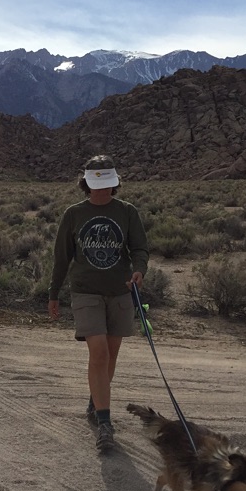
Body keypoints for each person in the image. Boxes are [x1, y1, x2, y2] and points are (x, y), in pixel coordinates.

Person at [48, 155, 149, 452]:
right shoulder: (73, 214)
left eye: (106, 185)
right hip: (85, 292)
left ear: (114, 183)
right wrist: (54, 294)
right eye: (96, 185)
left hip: (120, 292)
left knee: (112, 354)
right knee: (100, 352)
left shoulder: (127, 213)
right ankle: (105, 423)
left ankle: (96, 400)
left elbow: (139, 247)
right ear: (87, 184)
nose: (101, 191)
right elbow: (61, 258)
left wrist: (139, 269)